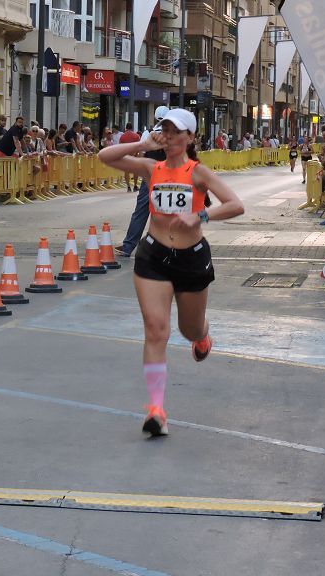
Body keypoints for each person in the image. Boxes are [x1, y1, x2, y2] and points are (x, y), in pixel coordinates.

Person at [98, 108, 244, 436]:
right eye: (165, 129)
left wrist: (201, 216)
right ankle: (156, 410)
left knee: (189, 329)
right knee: (155, 329)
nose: (170, 136)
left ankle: (203, 336)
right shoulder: (152, 168)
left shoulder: (198, 173)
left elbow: (236, 204)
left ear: (190, 137)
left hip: (191, 259)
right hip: (154, 256)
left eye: (177, 131)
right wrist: (143, 145)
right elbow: (105, 155)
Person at [119, 106, 170, 256]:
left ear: (155, 117)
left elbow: (141, 154)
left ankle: (128, 246)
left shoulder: (148, 133)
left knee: (140, 212)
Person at [119, 122, 141, 191]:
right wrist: (136, 154)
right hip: (134, 155)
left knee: (126, 172)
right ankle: (135, 185)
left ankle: (128, 187)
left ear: (126, 128)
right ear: (132, 128)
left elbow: (120, 147)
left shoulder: (122, 136)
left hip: (126, 156)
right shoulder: (136, 136)